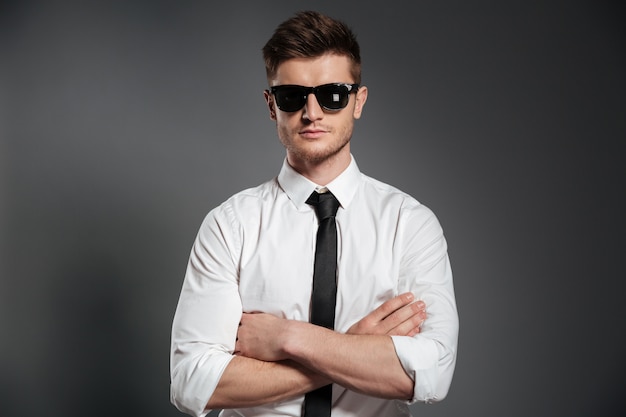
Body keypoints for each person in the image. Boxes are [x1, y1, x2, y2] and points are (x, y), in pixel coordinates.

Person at [170, 10, 458, 417]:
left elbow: (430, 373)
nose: (312, 112)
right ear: (272, 106)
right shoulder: (229, 226)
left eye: (332, 94)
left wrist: (289, 338)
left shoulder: (409, 225)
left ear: (358, 101)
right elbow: (191, 381)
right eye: (292, 96)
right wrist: (356, 343)